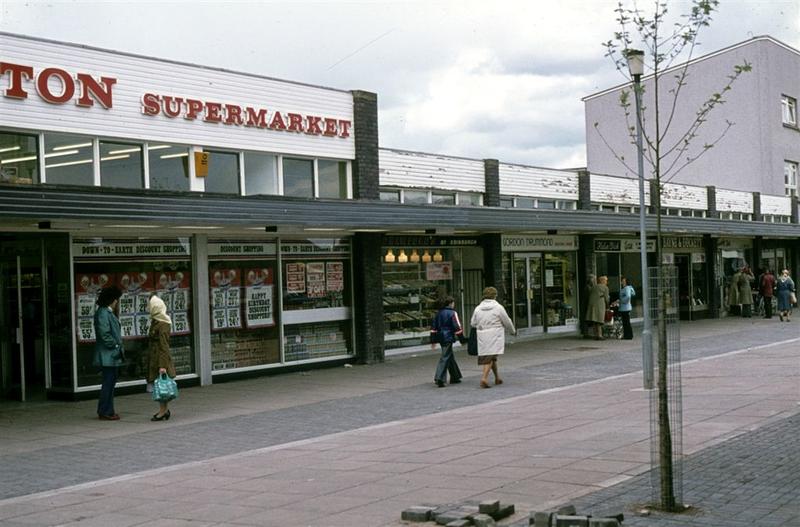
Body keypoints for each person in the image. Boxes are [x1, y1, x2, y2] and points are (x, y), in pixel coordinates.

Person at [470, 287, 515, 389]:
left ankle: (497, 378)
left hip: (482, 335)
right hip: (495, 335)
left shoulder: (478, 308)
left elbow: (473, 323)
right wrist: (512, 331)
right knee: (489, 357)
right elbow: (506, 321)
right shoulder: (498, 307)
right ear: (495, 295)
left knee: (491, 357)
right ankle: (484, 378)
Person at [93, 286, 124, 421]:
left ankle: (107, 409)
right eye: (116, 299)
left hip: (110, 355)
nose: (117, 302)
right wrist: (115, 345)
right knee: (108, 383)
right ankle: (106, 410)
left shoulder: (105, 312)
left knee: (110, 383)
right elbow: (104, 334)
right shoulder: (104, 313)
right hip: (108, 355)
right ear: (112, 300)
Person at [147, 293, 176, 420]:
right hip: (155, 357)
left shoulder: (162, 324)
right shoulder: (158, 321)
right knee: (159, 386)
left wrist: (163, 366)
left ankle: (163, 411)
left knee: (161, 386)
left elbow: (164, 346)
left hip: (159, 359)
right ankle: (164, 410)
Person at [429, 295, 464, 388]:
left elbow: (433, 328)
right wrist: (462, 339)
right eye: (453, 303)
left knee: (449, 356)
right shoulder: (453, 313)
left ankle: (455, 376)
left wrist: (433, 341)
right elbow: (457, 327)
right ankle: (439, 377)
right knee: (445, 357)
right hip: (448, 337)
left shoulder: (438, 313)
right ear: (450, 303)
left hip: (440, 337)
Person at [586, 275, 610, 340]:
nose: (606, 282)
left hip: (592, 305)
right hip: (600, 305)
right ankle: (600, 335)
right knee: (599, 320)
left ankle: (595, 334)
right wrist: (608, 306)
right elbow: (607, 298)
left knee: (594, 320)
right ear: (603, 281)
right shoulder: (605, 287)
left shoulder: (594, 287)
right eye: (606, 280)